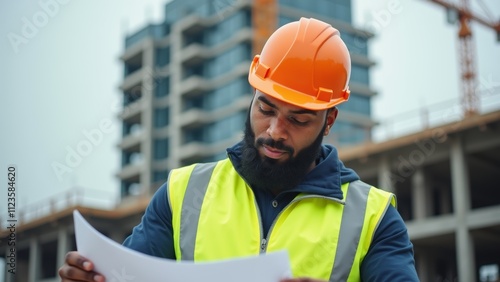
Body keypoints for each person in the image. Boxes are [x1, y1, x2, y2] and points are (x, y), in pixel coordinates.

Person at [59, 17, 419, 282]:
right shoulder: (184, 194)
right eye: (266, 108)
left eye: (299, 119)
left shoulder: (373, 219)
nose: (275, 132)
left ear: (329, 121)